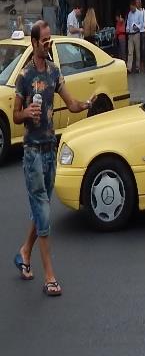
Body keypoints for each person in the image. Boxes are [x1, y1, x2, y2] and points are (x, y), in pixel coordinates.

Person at [12, 20, 93, 296]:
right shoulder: (24, 76)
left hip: (50, 150)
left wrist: (86, 104)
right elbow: (15, 114)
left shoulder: (54, 73)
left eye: (50, 40)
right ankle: (49, 277)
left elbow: (70, 103)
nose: (48, 44)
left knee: (40, 210)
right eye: (44, 41)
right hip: (32, 154)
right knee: (44, 211)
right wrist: (27, 115)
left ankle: (24, 252)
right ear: (34, 43)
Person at [126, 0, 143, 74]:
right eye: (130, 8)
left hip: (136, 34)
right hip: (130, 34)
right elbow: (128, 23)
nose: (131, 9)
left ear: (134, 6)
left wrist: (137, 27)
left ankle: (137, 67)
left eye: (132, 8)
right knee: (130, 52)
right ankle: (129, 68)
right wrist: (127, 29)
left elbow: (141, 23)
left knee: (137, 51)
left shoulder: (139, 13)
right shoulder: (129, 14)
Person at [135, 0, 145, 71]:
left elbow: (144, 20)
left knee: (142, 48)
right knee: (137, 48)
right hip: (137, 31)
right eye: (136, 2)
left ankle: (142, 63)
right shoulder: (134, 11)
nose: (137, 4)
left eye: (138, 2)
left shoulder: (143, 10)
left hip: (142, 31)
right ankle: (137, 64)